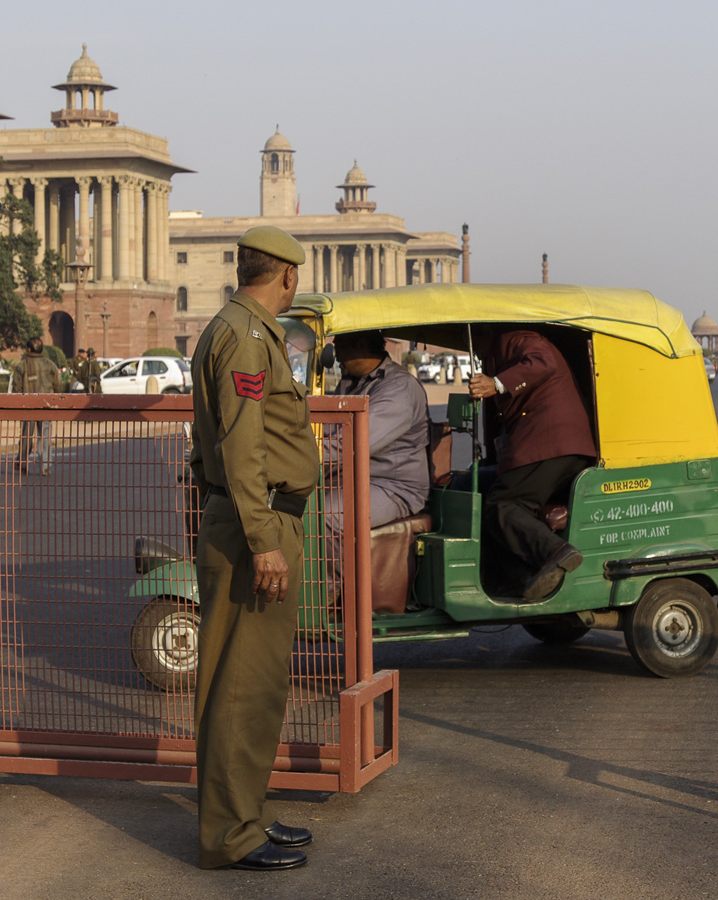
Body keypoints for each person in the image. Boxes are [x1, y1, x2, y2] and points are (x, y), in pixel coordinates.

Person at [189, 225, 318, 872]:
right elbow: (242, 445)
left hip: (251, 520)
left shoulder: (237, 328)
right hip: (255, 525)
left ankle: (247, 814)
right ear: (287, 276)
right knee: (241, 686)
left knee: (255, 683)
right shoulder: (245, 336)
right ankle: (230, 835)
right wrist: (264, 540)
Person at [468, 328, 598, 601]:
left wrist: (497, 383)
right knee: (493, 498)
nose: (474, 346)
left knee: (502, 506)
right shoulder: (492, 356)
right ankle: (522, 579)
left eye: (476, 337)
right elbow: (495, 417)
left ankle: (555, 552)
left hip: (550, 442)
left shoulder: (515, 338)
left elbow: (543, 362)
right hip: (550, 446)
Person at [321, 330, 431, 595]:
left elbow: (353, 442)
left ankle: (330, 596)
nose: (336, 357)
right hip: (351, 475)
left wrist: (301, 454)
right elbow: (327, 427)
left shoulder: (399, 388)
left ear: (360, 344)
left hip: (392, 487)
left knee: (327, 516)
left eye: (340, 347)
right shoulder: (353, 381)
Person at [10, 337, 62, 475]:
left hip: (28, 407)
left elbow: (17, 389)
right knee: (45, 436)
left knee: (26, 435)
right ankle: (44, 467)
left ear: (28, 349)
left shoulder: (22, 366)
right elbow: (57, 386)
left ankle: (22, 462)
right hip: (46, 406)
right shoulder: (51, 365)